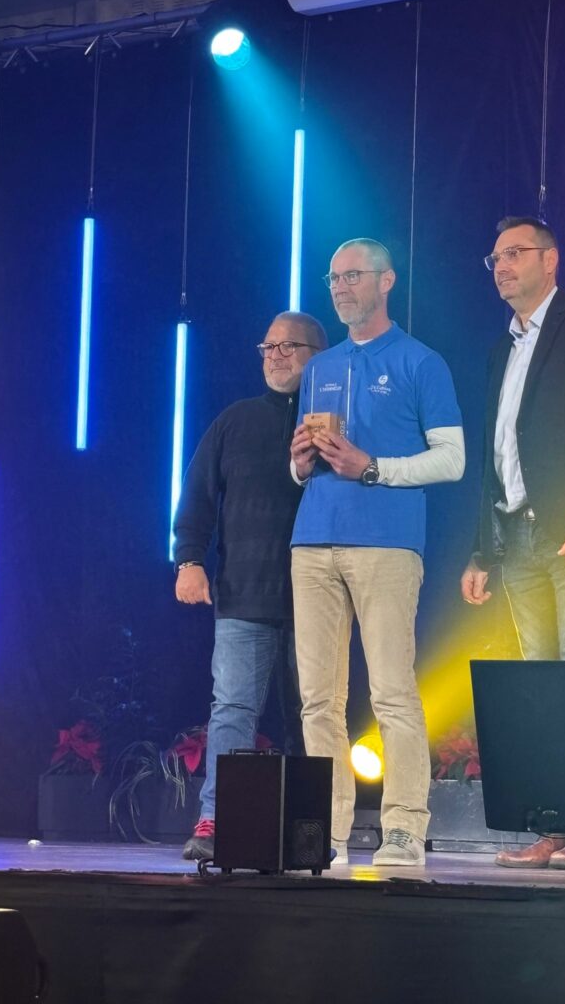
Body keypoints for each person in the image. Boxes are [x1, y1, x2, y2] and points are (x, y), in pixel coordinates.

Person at [461, 216, 565, 871]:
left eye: (515, 253)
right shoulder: (499, 350)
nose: (502, 266)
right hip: (518, 538)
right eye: (495, 258)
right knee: (543, 689)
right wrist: (483, 550)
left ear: (550, 259)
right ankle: (557, 825)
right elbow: (495, 456)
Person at [290, 238, 465, 866]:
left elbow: (452, 460)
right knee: (318, 700)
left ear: (386, 281)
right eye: (333, 278)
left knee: (391, 692)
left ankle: (404, 830)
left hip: (387, 543)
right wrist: (298, 463)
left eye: (353, 276)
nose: (340, 287)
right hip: (313, 541)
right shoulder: (320, 367)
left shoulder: (421, 362)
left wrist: (373, 469)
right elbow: (306, 467)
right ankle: (325, 832)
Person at [174, 310, 327, 862]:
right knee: (233, 710)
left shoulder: (338, 424)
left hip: (321, 596)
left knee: (314, 714)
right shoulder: (235, 420)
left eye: (288, 347)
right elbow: (196, 495)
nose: (275, 356)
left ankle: (313, 829)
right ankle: (217, 820)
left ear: (318, 356)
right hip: (245, 593)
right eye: (268, 347)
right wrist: (189, 559)